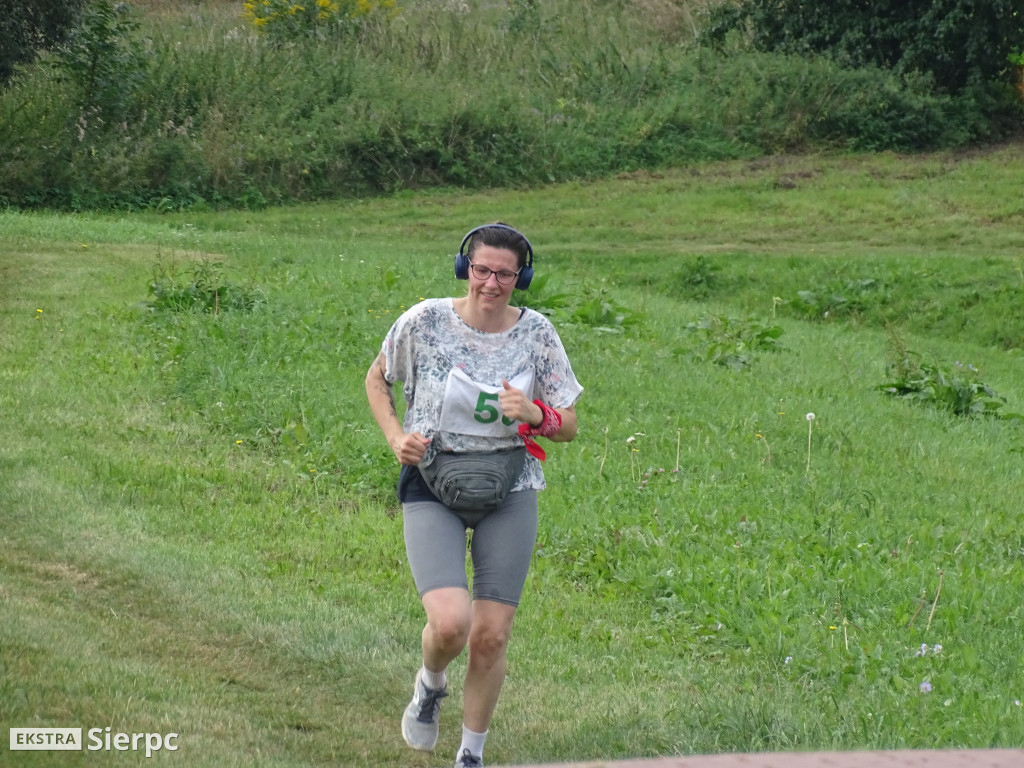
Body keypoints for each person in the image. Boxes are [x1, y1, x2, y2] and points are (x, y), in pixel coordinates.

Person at [364, 222, 583, 768]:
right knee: (450, 624)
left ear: (521, 278)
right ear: (466, 268)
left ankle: (470, 754)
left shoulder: (538, 334)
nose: (491, 283)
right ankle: (430, 683)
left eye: (504, 274)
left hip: (510, 486)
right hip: (433, 482)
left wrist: (538, 414)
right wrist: (396, 438)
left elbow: (570, 424)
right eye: (482, 270)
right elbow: (377, 379)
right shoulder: (425, 320)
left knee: (490, 635)